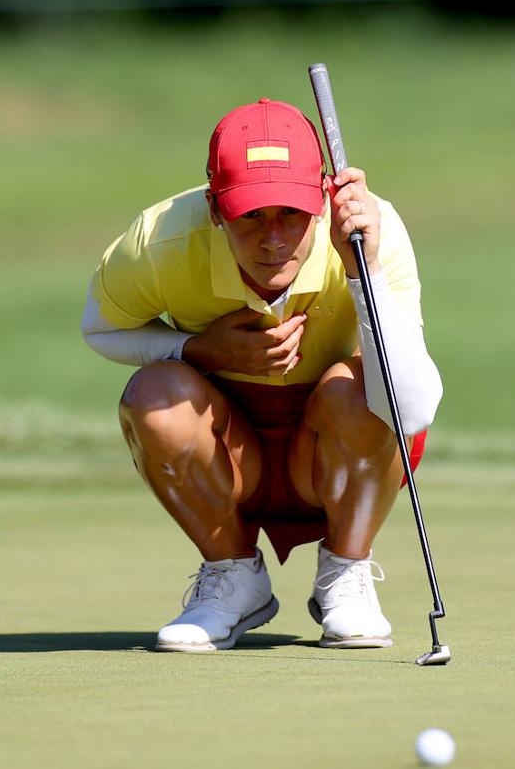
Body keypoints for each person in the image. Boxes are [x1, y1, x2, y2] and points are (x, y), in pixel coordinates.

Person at [81, 98, 442, 652]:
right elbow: (101, 330)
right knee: (155, 394)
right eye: (251, 215)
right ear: (215, 207)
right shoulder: (158, 240)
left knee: (361, 387)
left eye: (290, 213)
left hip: (330, 452)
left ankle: (346, 573)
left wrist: (359, 269)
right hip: (230, 448)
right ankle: (233, 578)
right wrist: (197, 349)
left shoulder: (372, 229)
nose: (272, 238)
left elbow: (410, 410)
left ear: (323, 199)